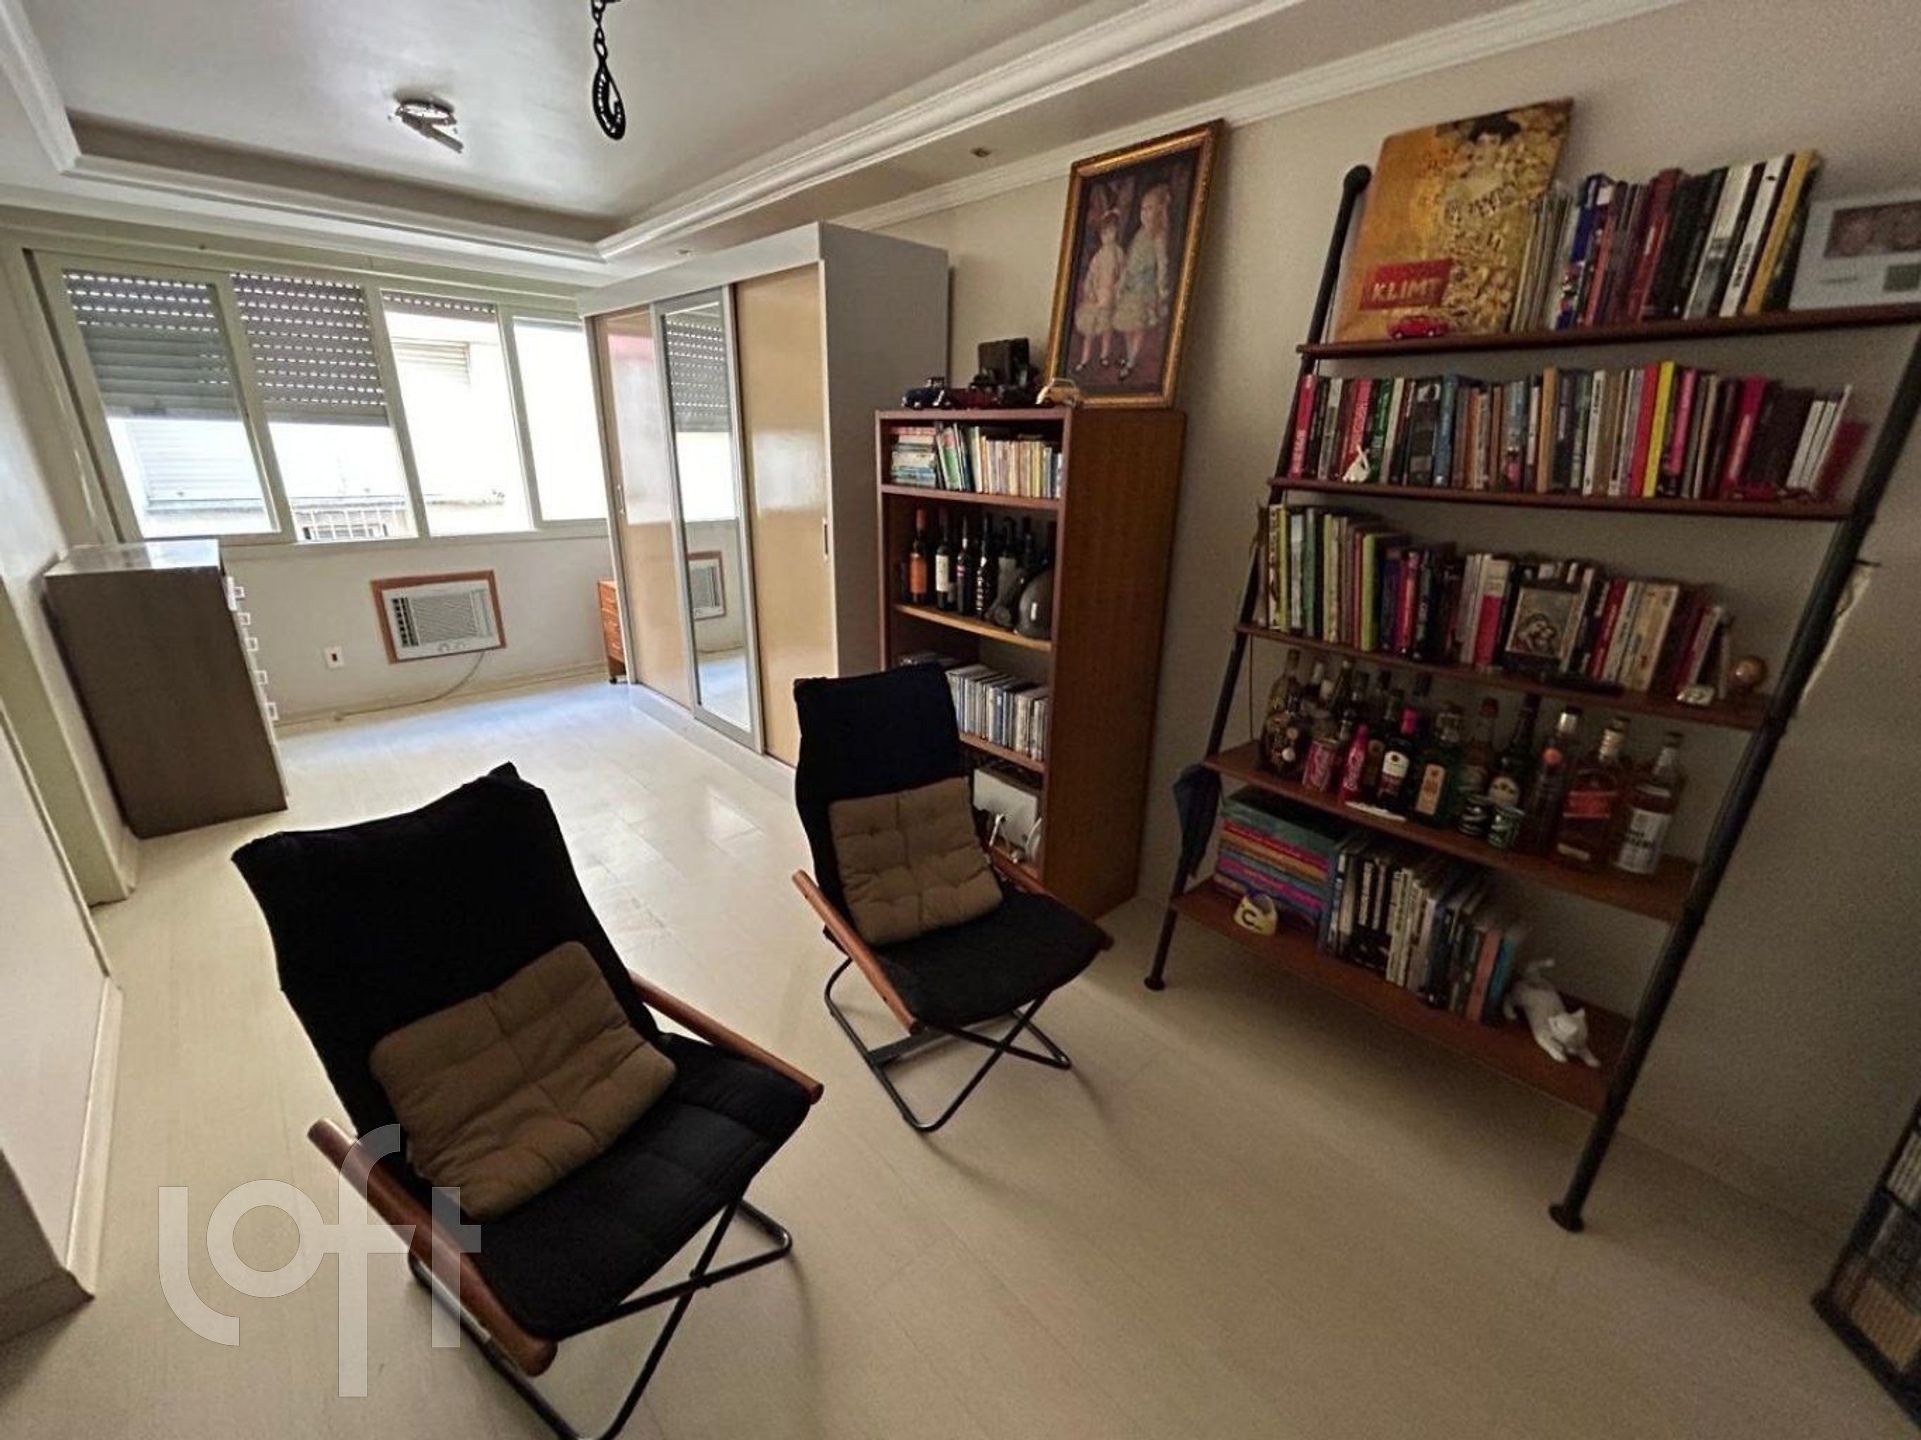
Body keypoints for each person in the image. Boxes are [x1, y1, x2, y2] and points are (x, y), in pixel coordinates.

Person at [1112, 184, 1173, 381]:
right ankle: (1129, 355)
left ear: (1159, 211)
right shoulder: (1140, 234)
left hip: (1144, 289)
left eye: (1149, 209)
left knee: (1138, 326)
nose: (1145, 213)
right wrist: (1121, 282)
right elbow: (1129, 261)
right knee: (1128, 325)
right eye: (1142, 209)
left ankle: (1132, 361)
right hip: (1131, 287)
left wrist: (1162, 288)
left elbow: (1163, 263)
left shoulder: (1158, 236)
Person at [1072, 209, 1124, 374]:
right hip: (1096, 296)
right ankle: (1084, 359)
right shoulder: (1098, 255)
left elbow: (1123, 274)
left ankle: (1104, 355)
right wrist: (1089, 289)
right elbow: (1091, 274)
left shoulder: (1118, 253)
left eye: (1111, 232)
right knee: (1090, 329)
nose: (1108, 236)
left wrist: (1117, 289)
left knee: (1106, 328)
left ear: (1116, 232)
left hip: (1109, 296)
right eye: (1104, 233)